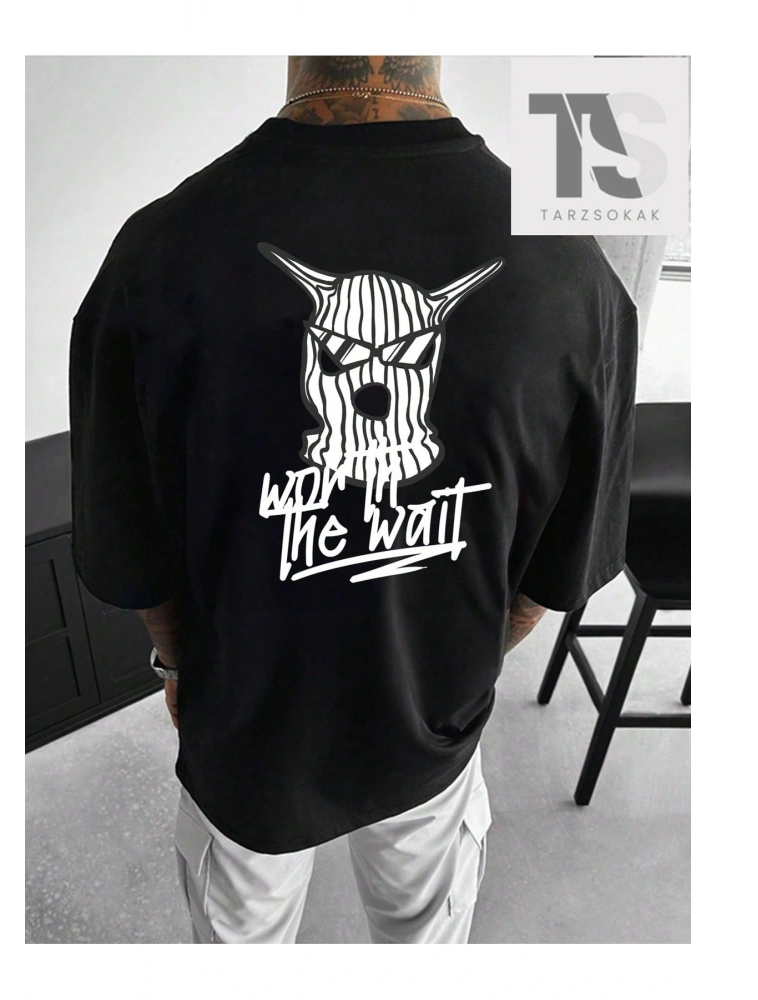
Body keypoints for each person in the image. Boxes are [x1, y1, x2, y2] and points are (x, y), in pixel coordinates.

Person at [68, 56, 638, 944]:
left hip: (244, 737)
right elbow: (558, 569)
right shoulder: (574, 270)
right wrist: (454, 665)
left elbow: (133, 551)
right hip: (431, 731)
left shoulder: (159, 249)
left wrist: (180, 670)